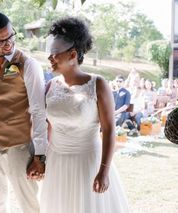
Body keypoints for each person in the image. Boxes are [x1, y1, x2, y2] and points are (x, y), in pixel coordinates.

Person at [41, 17, 129, 213]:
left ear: (72, 54)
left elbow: (109, 129)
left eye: (55, 54)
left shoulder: (98, 84)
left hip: (88, 162)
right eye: (49, 54)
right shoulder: (50, 86)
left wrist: (104, 171)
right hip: (56, 161)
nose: (50, 58)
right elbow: (47, 125)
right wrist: (41, 159)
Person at [0, 12, 47, 213]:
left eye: (11, 36)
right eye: (0, 41)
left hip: (20, 146)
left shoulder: (29, 65)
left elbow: (39, 111)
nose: (8, 44)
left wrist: (40, 156)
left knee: (29, 204)